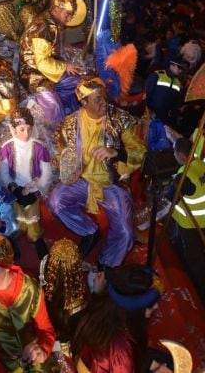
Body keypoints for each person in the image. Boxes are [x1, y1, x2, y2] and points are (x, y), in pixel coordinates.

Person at [48, 77, 143, 267]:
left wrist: (116, 153)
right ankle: (89, 231)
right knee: (56, 202)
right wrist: (66, 168)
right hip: (81, 181)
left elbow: (139, 152)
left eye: (104, 97)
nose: (103, 103)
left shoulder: (120, 119)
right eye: (97, 99)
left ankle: (106, 264)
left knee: (125, 232)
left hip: (111, 184)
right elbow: (61, 154)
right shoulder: (69, 124)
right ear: (84, 102)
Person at [0, 234, 57, 373]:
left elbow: (46, 329)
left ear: (7, 266)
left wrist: (42, 348)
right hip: (4, 366)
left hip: (36, 364)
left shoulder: (30, 289)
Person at [71, 263, 163, 373]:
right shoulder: (121, 350)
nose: (156, 306)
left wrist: (154, 365)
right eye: (150, 305)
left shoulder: (103, 309)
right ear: (135, 311)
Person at [0, 108, 54, 261]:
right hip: (14, 189)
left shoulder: (40, 147)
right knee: (16, 216)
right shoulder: (6, 148)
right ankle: (14, 237)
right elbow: (4, 173)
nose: (26, 134)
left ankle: (36, 238)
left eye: (29, 129)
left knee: (32, 215)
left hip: (32, 188)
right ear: (12, 129)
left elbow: (46, 173)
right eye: (21, 129)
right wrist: (12, 187)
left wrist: (38, 191)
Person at [19, 0, 85, 113]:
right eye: (68, 14)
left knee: (81, 82)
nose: (70, 19)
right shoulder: (43, 27)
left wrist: (63, 47)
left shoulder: (53, 22)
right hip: (33, 73)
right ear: (56, 9)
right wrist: (65, 66)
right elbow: (42, 63)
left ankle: (72, 111)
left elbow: (49, 47)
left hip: (49, 68)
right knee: (56, 103)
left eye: (72, 15)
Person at [167, 137, 205, 299]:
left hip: (190, 223)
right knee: (195, 252)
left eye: (174, 152)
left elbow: (170, 198)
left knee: (195, 260)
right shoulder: (200, 164)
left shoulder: (184, 176)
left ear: (180, 155)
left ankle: (201, 295)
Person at [143, 55, 186, 126]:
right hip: (149, 114)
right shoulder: (157, 75)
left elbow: (175, 102)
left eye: (182, 69)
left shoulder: (178, 83)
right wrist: (145, 110)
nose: (180, 70)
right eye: (179, 67)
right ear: (172, 65)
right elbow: (146, 93)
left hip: (163, 119)